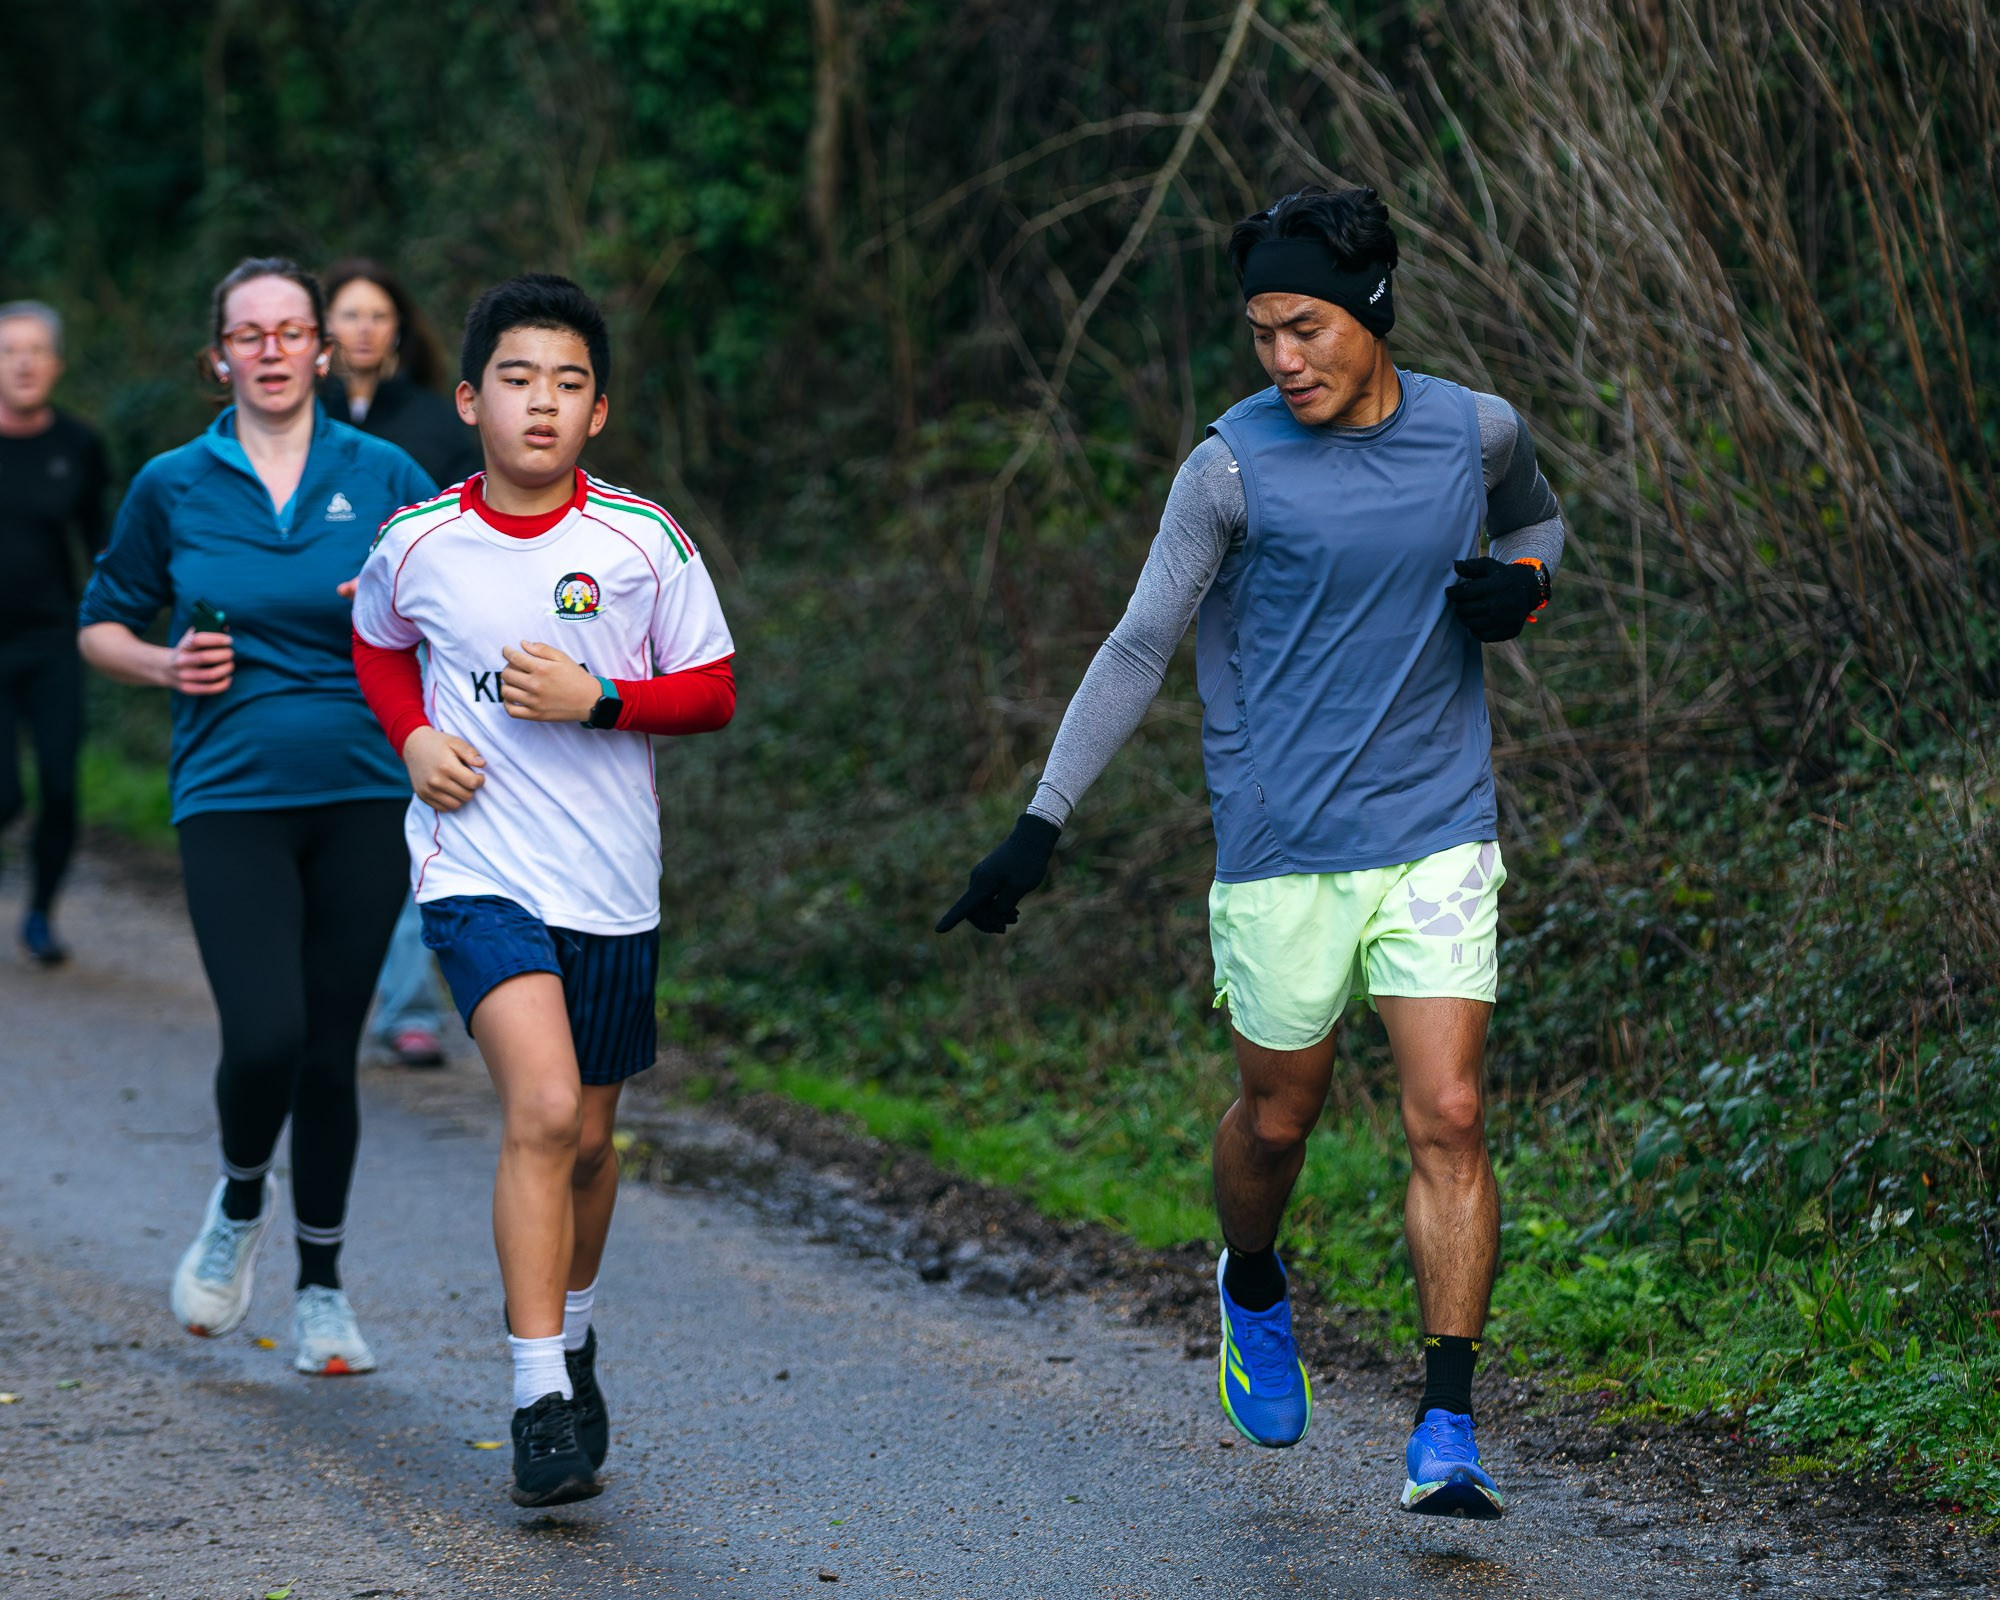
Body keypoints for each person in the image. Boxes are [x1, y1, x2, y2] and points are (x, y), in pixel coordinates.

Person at [937, 186, 1566, 1521]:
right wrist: (1038, 826)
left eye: (1306, 328)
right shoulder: (1230, 466)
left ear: (1376, 310)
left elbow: (1536, 517)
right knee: (1277, 1119)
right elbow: (1137, 646)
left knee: (1449, 1118)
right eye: (1261, 332)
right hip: (1283, 845)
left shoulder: (1476, 428)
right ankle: (1253, 1276)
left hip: (1437, 828)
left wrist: (1527, 585)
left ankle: (1446, 1423)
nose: (1282, 359)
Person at [351, 274, 735, 1507]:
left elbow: (712, 688)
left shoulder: (641, 540)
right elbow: (374, 641)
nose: (541, 403)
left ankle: (570, 1329)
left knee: (591, 1142)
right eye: (517, 378)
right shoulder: (417, 542)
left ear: (598, 410)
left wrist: (601, 701)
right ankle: (537, 1401)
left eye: (567, 384)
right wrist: (411, 737)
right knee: (544, 1108)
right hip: (476, 872)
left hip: (612, 886)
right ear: (469, 398)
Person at [78, 257, 435, 1376]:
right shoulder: (173, 482)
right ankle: (238, 1203)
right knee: (266, 1033)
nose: (273, 350)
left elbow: (462, 605)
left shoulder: (383, 473)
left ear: (324, 353)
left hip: (368, 789)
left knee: (331, 1054)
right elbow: (100, 623)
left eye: (293, 331)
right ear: (219, 356)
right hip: (229, 790)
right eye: (251, 333)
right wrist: (163, 660)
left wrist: (394, 607)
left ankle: (322, 1291)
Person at [321, 258, 482, 1069]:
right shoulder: (290, 420)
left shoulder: (433, 425)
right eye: (347, 314)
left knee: (412, 822)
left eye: (376, 315)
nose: (362, 329)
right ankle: (320, 989)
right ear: (323, 330)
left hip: (409, 654)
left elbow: (468, 533)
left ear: (398, 328)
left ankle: (410, 1004)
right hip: (309, 657)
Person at [0, 300, 109, 965]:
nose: (24, 362)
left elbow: (102, 544)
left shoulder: (78, 446)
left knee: (62, 786)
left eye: (37, 350)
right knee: (5, 794)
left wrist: (115, 617)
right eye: (11, 350)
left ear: (57, 364)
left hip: (51, 642)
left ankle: (40, 912)